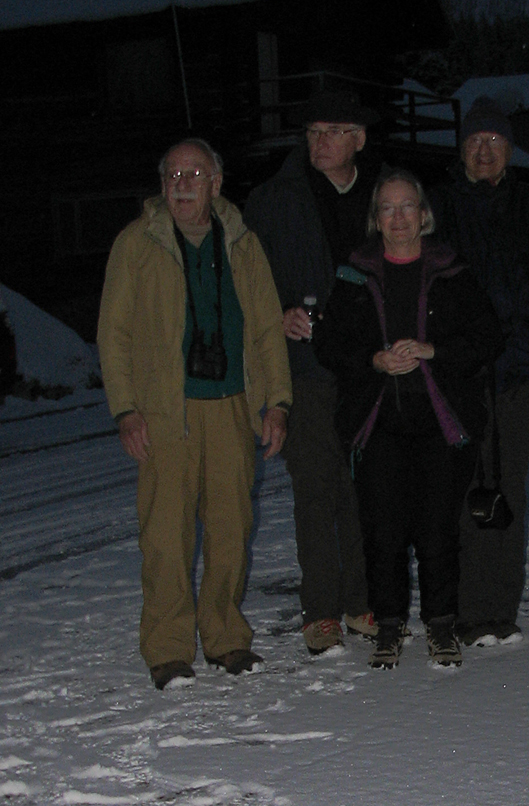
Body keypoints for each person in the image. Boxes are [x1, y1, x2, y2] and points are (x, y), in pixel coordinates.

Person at [97, 138, 291, 690]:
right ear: (162, 185)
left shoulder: (243, 244)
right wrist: (126, 410)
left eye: (194, 173)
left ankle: (227, 638)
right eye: (173, 174)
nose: (182, 183)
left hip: (232, 407)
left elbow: (265, 330)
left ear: (216, 183)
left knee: (232, 529)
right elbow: (113, 334)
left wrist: (276, 403)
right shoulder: (137, 244)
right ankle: (168, 649)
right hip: (165, 414)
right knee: (165, 535)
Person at [312, 170, 503, 669]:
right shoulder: (354, 272)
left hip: (440, 423)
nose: (398, 218)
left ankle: (441, 625)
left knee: (438, 530)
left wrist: (431, 350)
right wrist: (375, 360)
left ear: (424, 214)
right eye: (387, 209)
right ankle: (389, 626)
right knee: (384, 532)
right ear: (376, 219)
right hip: (378, 425)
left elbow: (487, 338)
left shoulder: (451, 270)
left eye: (407, 206)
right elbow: (329, 344)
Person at [244, 89, 379, 656]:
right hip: (304, 369)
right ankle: (321, 611)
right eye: (313, 131)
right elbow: (244, 280)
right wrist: (276, 313)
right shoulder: (273, 199)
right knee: (315, 490)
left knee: (365, 489)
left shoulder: (383, 197)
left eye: (333, 131)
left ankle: (362, 600)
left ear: (358, 140)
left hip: (369, 369)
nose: (320, 142)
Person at [433, 97, 529, 646]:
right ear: (462, 150)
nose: (484, 151)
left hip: (517, 371)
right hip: (459, 376)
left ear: (509, 150)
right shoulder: (441, 207)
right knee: (463, 489)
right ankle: (466, 608)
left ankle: (500, 607)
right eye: (474, 142)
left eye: (493, 141)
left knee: (509, 486)